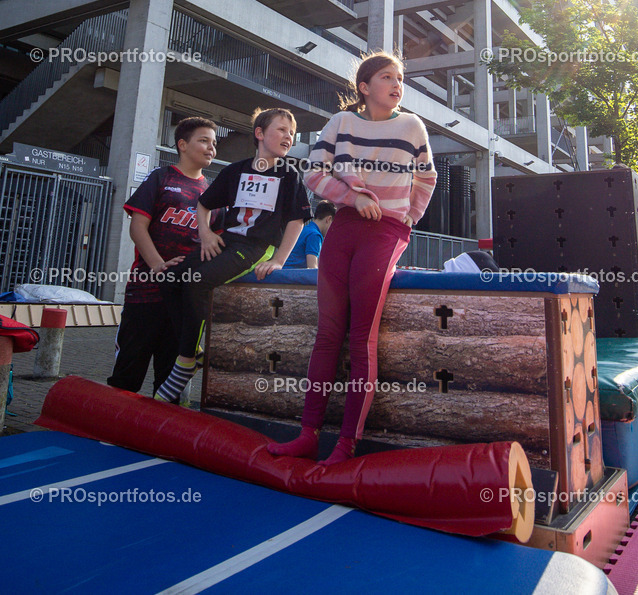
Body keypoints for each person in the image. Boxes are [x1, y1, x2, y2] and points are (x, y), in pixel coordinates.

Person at [268, 52, 437, 465]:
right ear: (365, 87)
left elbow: (427, 177)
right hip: (344, 226)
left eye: (400, 78)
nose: (397, 85)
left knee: (362, 337)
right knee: (328, 334)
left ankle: (346, 445)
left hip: (386, 232)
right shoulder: (340, 124)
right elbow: (312, 173)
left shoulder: (413, 125)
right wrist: (354, 196)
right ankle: (308, 434)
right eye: (387, 77)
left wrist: (407, 220)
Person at [155, 108, 311, 403]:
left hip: (256, 247)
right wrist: (206, 233)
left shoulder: (289, 175)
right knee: (169, 276)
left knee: (199, 281)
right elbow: (204, 205)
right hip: (225, 241)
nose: (288, 137)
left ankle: (185, 360)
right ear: (260, 133)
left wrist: (278, 259)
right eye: (281, 130)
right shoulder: (234, 171)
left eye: (292, 133)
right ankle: (196, 351)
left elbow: (297, 220)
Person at [107, 117, 218, 395]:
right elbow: (137, 226)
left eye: (214, 143)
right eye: (203, 141)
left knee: (170, 385)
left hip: (184, 303)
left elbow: (217, 244)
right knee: (126, 378)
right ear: (182, 144)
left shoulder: (214, 194)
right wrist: (158, 265)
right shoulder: (161, 177)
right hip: (145, 293)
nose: (211, 148)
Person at [284, 201, 336, 269]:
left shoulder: (304, 230)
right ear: (328, 219)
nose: (333, 230)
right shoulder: (315, 235)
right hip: (293, 276)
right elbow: (312, 268)